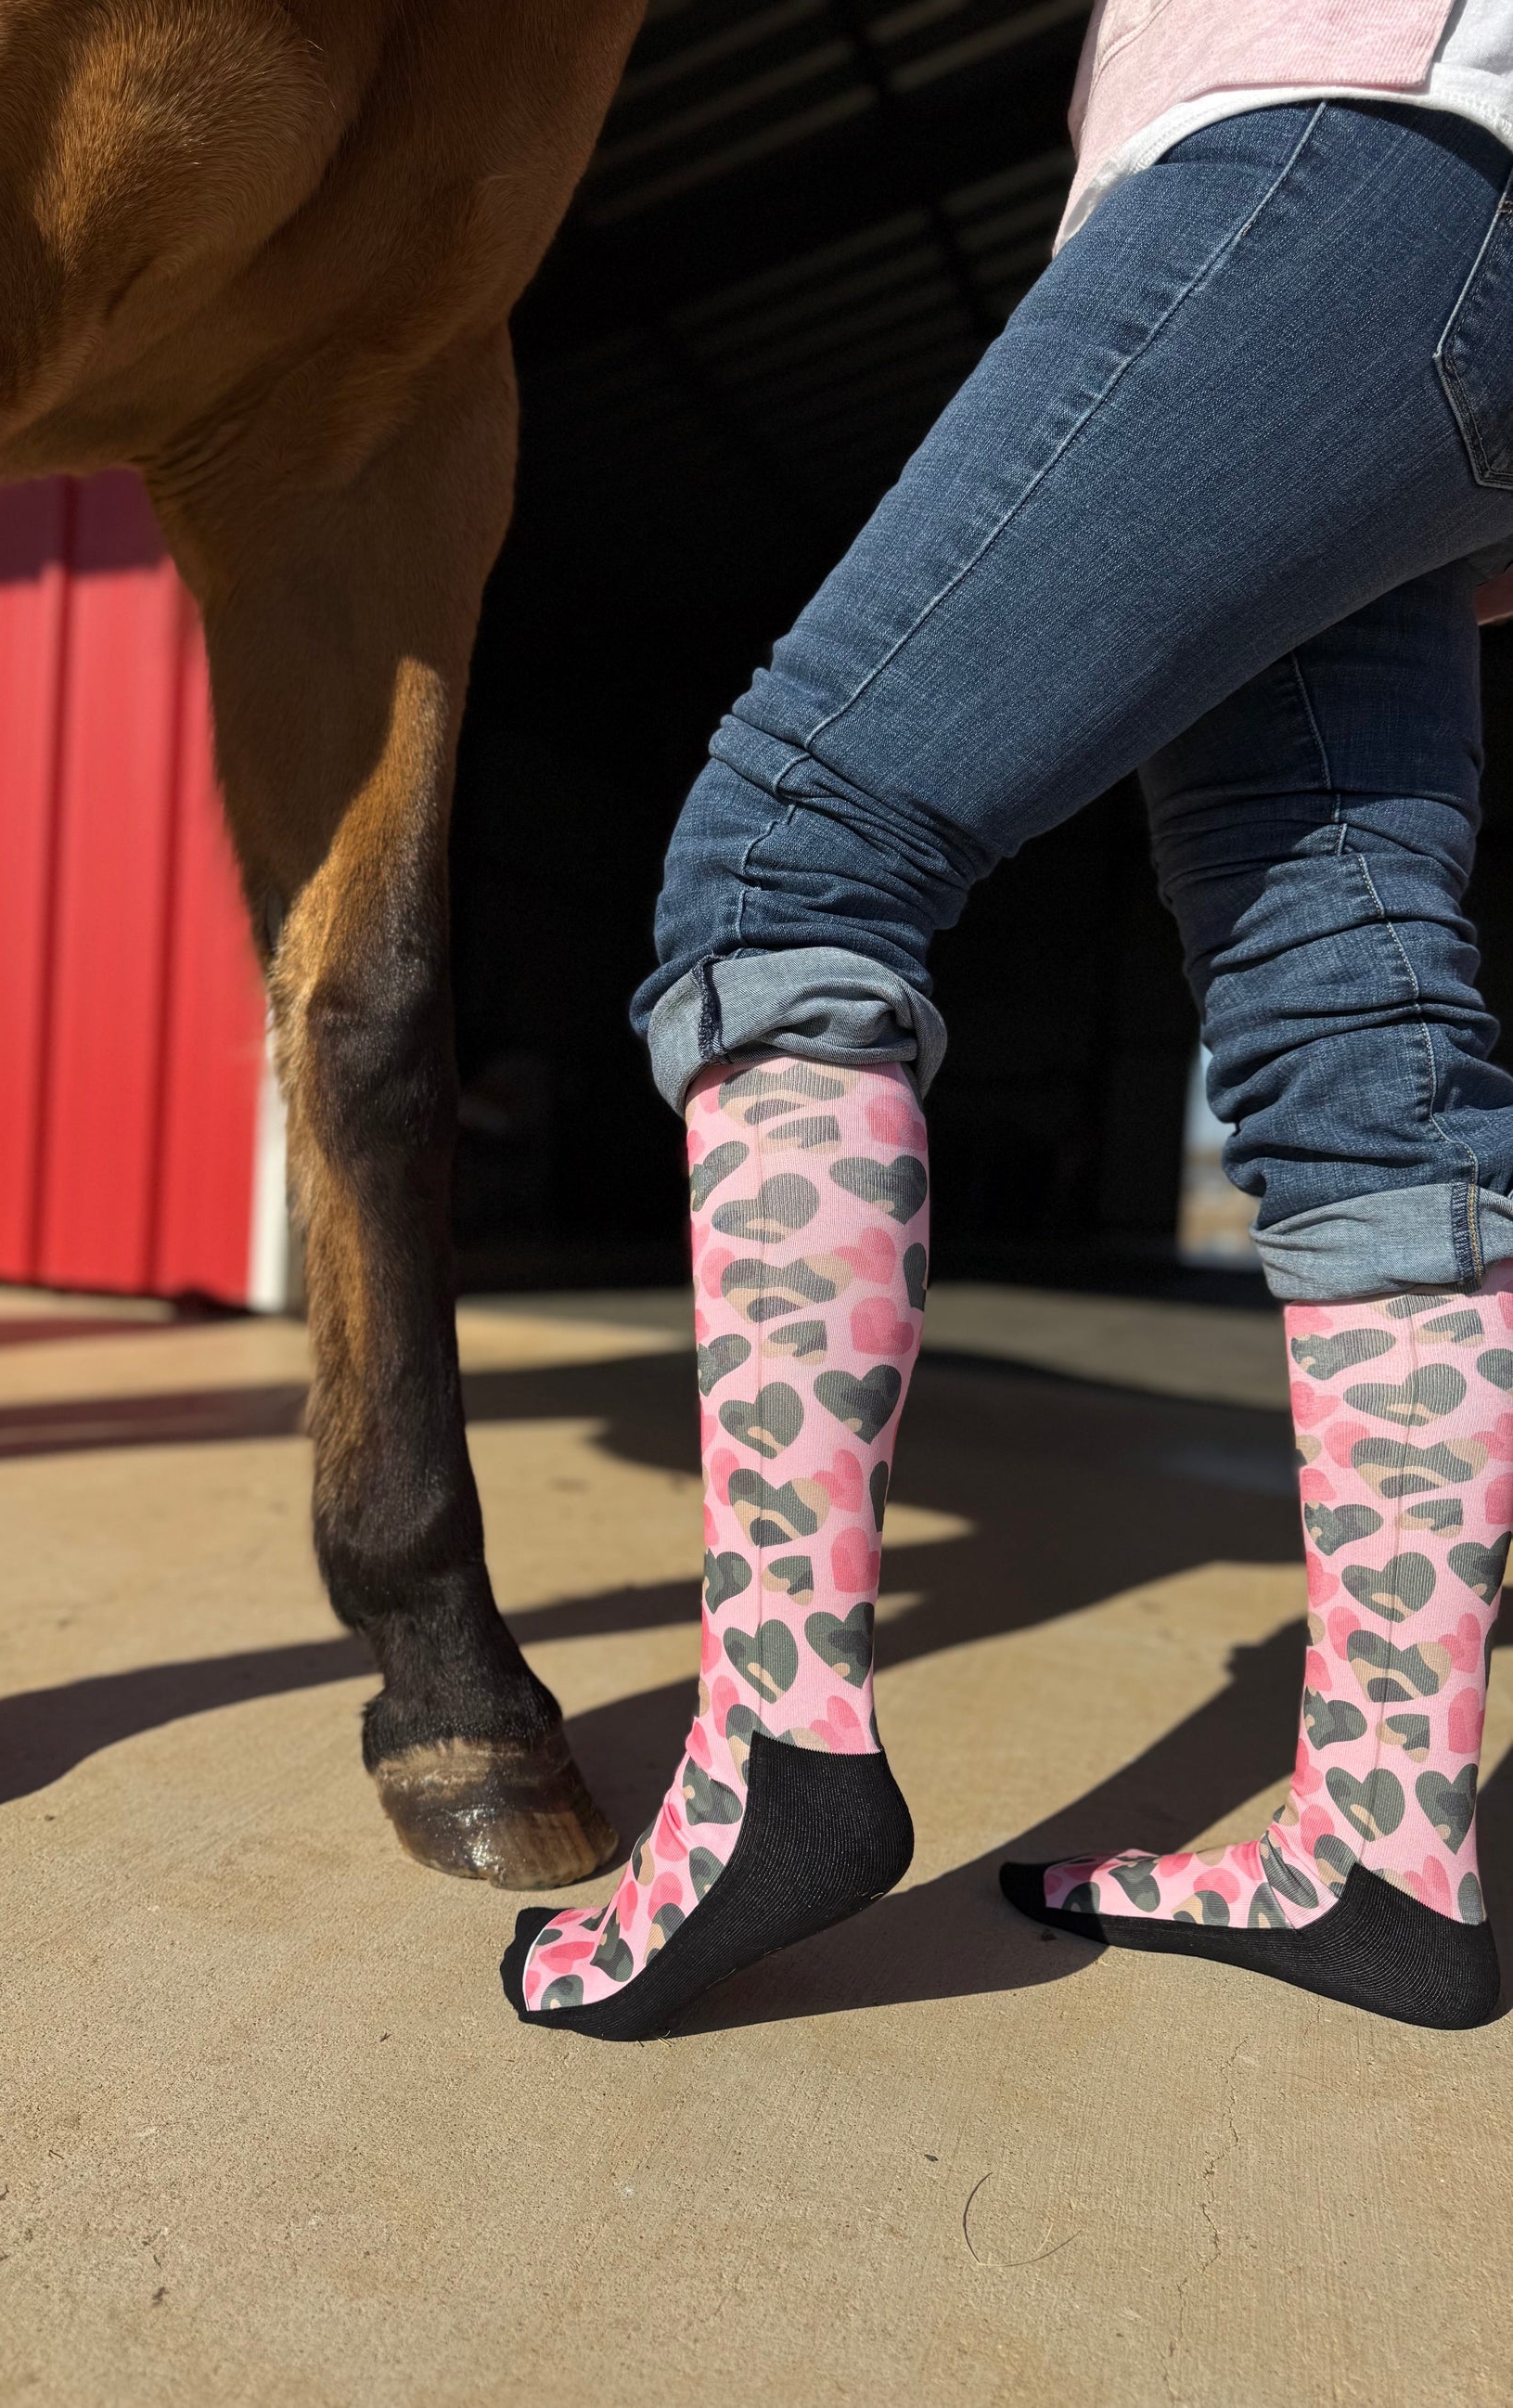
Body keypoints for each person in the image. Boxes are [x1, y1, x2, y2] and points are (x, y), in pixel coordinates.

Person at [502, 4, 1513, 2038]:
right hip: (1438, 216)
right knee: (1351, 1025)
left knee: (787, 849)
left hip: (1346, 133)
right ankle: (1386, 1840)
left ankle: (780, 1739)